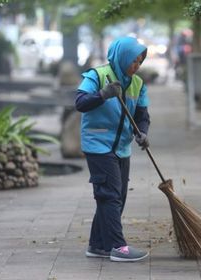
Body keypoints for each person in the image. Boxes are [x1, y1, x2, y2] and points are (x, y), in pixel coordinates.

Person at [75, 36, 150, 262]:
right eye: (133, 61)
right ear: (122, 56)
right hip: (98, 144)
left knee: (118, 196)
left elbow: (142, 115)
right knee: (110, 195)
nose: (135, 66)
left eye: (139, 62)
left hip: (122, 147)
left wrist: (142, 132)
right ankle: (118, 247)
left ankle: (97, 245)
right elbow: (80, 102)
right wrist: (103, 94)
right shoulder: (97, 76)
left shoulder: (137, 84)